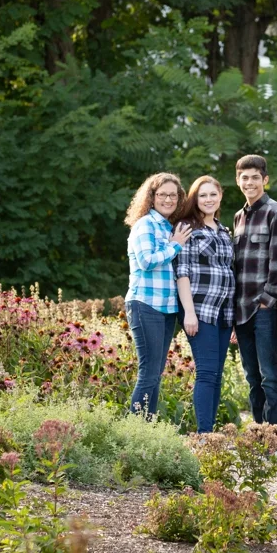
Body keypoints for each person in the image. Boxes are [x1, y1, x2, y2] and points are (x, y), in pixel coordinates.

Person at [171, 175, 236, 433]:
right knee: (207, 373)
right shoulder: (187, 228)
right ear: (195, 199)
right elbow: (182, 272)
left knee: (217, 374)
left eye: (212, 194)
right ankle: (204, 435)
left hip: (224, 312)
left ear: (220, 196)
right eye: (202, 195)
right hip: (200, 310)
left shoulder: (224, 230)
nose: (208, 199)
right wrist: (189, 312)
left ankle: (210, 434)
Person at [231, 154, 277, 428]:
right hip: (241, 309)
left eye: (255, 177)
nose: (250, 183)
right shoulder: (238, 217)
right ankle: (258, 431)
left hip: (265, 308)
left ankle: (273, 429)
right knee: (252, 375)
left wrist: (267, 301)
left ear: (265, 180)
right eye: (244, 178)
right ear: (237, 181)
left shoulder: (276, 213)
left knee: (270, 373)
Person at [124, 172, 190, 418]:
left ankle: (147, 428)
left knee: (156, 374)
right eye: (162, 194)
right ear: (152, 197)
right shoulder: (145, 225)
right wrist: (175, 245)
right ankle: (133, 430)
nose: (168, 199)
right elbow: (146, 261)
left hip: (166, 308)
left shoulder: (168, 227)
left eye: (173, 195)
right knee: (148, 373)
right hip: (145, 304)